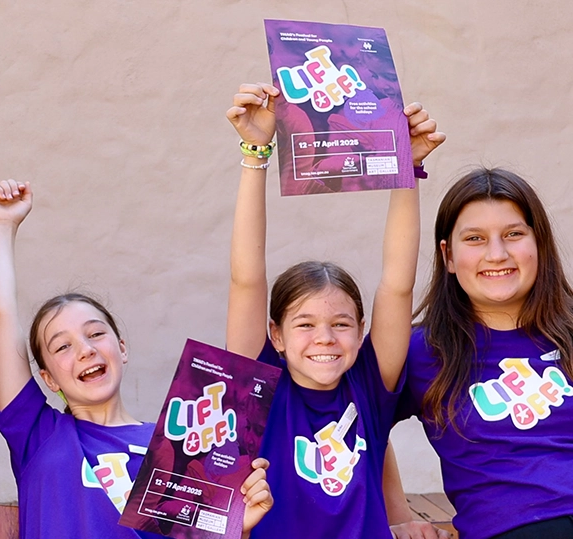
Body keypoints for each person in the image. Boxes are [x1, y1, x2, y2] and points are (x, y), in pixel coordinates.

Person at [0, 179, 274, 539]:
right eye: (62, 347)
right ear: (48, 378)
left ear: (122, 348)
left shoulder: (177, 448)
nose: (85, 350)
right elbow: (0, 316)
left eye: (95, 334)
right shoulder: (37, 434)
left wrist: (237, 529)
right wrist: (3, 226)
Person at [224, 82, 444, 537]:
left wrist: (408, 168)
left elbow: (397, 284)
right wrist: (255, 153)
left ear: (362, 331)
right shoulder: (259, 387)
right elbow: (246, 278)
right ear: (276, 335)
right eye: (304, 324)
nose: (324, 337)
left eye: (341, 324)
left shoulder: (370, 385)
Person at [394, 168, 573, 538]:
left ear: (539, 243)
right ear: (448, 255)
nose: (497, 254)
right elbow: (355, 423)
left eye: (513, 234)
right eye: (475, 238)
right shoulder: (423, 350)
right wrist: (396, 517)